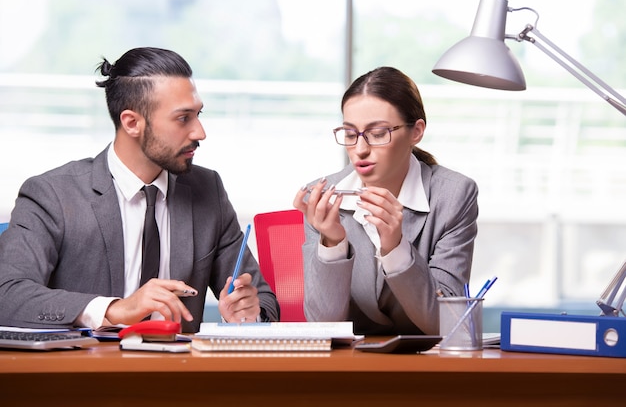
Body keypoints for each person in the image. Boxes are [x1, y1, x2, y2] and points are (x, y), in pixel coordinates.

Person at [0, 47, 279, 332]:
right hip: (85, 371)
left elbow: (263, 301)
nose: (200, 132)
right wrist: (117, 309)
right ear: (132, 123)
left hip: (180, 372)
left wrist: (247, 314)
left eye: (198, 114)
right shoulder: (53, 195)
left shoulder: (207, 190)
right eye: (183, 118)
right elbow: (7, 294)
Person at [293, 66, 478, 336]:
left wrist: (396, 247)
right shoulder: (323, 198)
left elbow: (446, 323)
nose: (360, 149)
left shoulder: (454, 195)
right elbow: (324, 325)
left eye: (378, 134)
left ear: (416, 131)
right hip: (348, 367)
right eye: (349, 133)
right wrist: (332, 242)